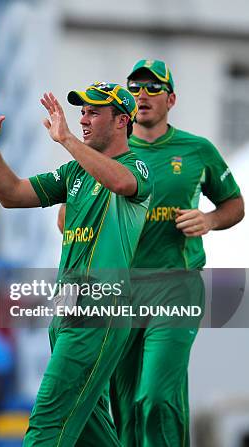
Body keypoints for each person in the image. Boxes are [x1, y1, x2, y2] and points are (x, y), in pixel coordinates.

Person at [0, 84, 152, 446]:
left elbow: (119, 180)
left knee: (46, 425)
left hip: (100, 309)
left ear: (122, 122)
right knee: (90, 434)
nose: (82, 119)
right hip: (66, 311)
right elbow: (12, 194)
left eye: (93, 112)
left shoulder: (137, 165)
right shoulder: (74, 174)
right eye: (82, 112)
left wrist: (67, 139)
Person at [108, 59, 244, 446]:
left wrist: (209, 220)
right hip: (122, 289)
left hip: (176, 284)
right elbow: (68, 218)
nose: (142, 95)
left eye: (153, 88)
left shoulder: (197, 150)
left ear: (171, 98)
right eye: (135, 87)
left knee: (156, 397)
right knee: (125, 405)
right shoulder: (111, 151)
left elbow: (234, 205)